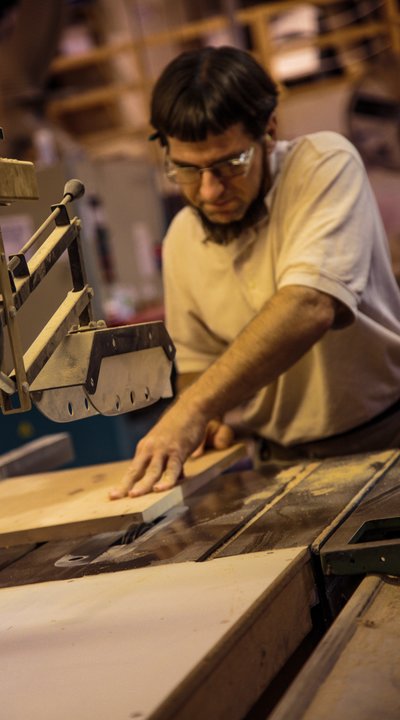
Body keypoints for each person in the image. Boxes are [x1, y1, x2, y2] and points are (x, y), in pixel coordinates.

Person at [110, 45, 400, 500]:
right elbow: (197, 367)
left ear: (269, 130)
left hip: (386, 441)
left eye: (230, 164)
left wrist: (190, 411)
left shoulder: (323, 164)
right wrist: (207, 418)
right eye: (186, 169)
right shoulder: (183, 238)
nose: (209, 190)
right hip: (278, 467)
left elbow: (309, 305)